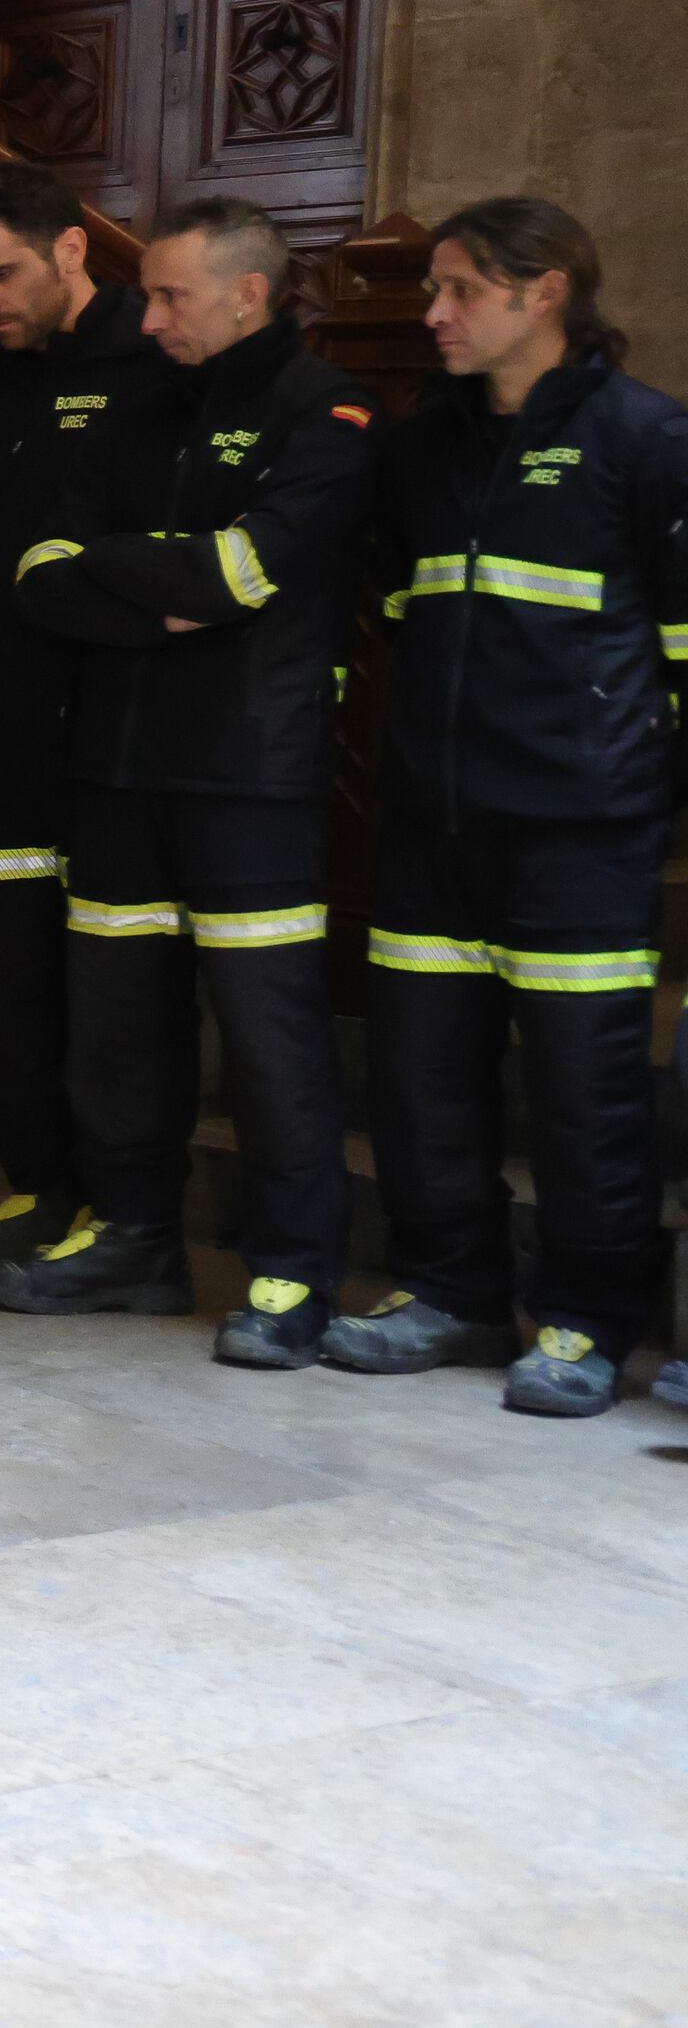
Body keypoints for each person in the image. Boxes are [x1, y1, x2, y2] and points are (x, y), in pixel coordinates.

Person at [0, 200, 373, 1361]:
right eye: (145, 295)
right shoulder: (138, 411)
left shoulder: (325, 412)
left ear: (247, 294)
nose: (147, 318)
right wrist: (157, 592)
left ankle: (293, 1272)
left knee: (268, 1036)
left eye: (169, 297)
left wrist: (142, 583)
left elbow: (246, 571)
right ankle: (136, 1239)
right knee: (116, 1027)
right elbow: (37, 574)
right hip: (114, 763)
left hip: (245, 773)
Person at [324, 200, 688, 1414]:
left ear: (542, 292)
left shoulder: (644, 439)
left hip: (581, 827)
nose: (431, 313)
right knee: (421, 1076)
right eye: (431, 288)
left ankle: (585, 1320)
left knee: (583, 1091)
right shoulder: (418, 449)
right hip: (431, 817)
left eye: (458, 289)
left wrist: (647, 784)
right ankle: (453, 1294)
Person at [0, 163, 160, 1277]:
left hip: (110, 722)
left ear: (71, 249)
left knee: (108, 993)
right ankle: (38, 1185)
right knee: (3, 980)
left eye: (2, 274)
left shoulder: (149, 361)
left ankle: (116, 1211)